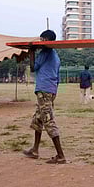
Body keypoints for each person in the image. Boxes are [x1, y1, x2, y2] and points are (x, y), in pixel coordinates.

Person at [23, 29, 66, 164]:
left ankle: (60, 156)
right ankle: (35, 150)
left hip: (44, 89)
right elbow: (57, 76)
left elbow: (33, 67)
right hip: (51, 89)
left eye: (42, 39)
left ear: (46, 40)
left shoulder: (45, 52)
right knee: (38, 119)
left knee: (48, 120)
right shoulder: (56, 56)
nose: (40, 42)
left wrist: (31, 53)